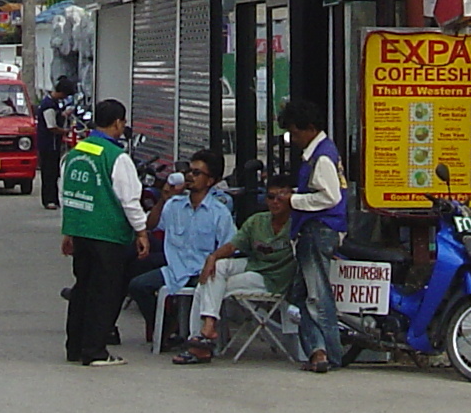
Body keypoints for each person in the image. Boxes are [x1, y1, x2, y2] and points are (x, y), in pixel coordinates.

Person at [58, 99, 147, 367]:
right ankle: (95, 350)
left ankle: (75, 347)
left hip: (81, 232)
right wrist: (141, 232)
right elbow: (129, 200)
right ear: (118, 123)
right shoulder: (116, 156)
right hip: (107, 234)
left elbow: (67, 195)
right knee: (104, 292)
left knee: (82, 289)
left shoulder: (74, 154)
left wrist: (69, 231)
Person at [175, 178, 297, 364]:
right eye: (271, 197)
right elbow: (233, 245)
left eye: (281, 197)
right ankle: (207, 329)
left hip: (273, 278)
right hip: (254, 264)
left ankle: (199, 342)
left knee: (208, 286)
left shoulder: (297, 224)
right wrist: (213, 257)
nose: (275, 201)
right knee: (214, 272)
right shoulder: (257, 221)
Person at [128, 152, 234, 343]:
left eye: (196, 173)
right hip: (175, 269)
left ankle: (198, 336)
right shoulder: (174, 205)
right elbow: (150, 225)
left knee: (203, 295)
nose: (189, 177)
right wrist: (164, 198)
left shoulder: (219, 212)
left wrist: (213, 260)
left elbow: (231, 244)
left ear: (209, 181)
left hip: (200, 271)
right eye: (188, 172)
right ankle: (167, 325)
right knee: (138, 285)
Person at [277, 99, 348, 374]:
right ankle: (317, 351)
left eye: (294, 132)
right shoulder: (319, 154)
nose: (293, 139)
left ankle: (330, 351)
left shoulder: (322, 158)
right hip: (315, 230)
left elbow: (329, 197)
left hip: (318, 230)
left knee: (317, 295)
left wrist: (295, 200)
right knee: (304, 293)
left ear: (308, 128)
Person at [34, 90, 66, 209]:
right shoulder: (49, 106)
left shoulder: (50, 103)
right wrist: (65, 131)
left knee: (52, 172)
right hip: (49, 144)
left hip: (49, 144)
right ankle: (49, 199)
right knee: (49, 173)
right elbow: (51, 126)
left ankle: (54, 199)